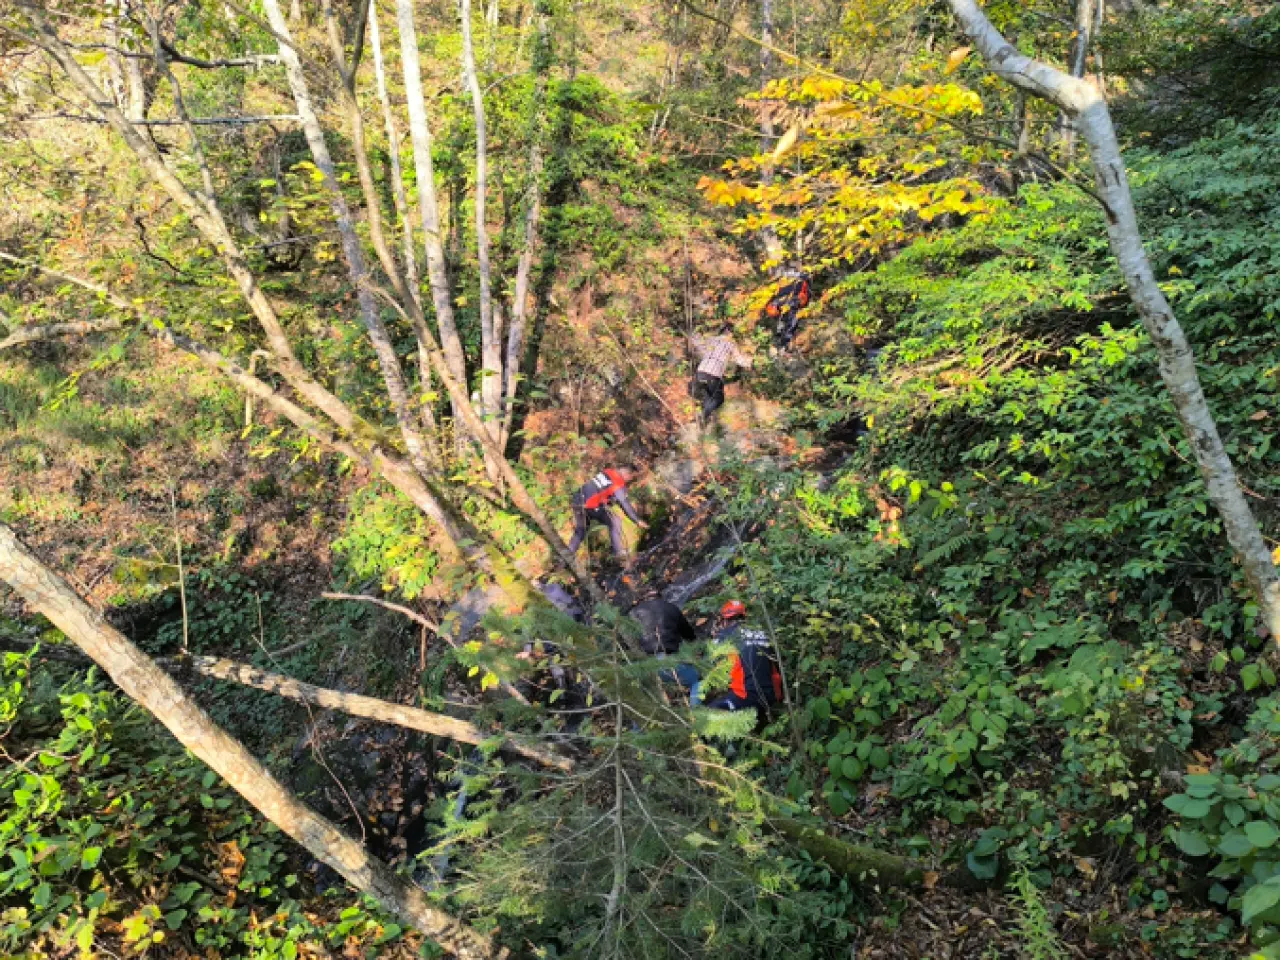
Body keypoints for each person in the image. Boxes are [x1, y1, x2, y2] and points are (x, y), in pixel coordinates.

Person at [704, 600, 784, 713]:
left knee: (708, 712)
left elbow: (706, 666)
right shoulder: (761, 632)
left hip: (746, 697)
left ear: (724, 620)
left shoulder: (724, 636)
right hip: (773, 694)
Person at [566, 466, 649, 564]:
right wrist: (637, 520)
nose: (629, 480)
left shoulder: (608, 471)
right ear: (627, 474)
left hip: (577, 501)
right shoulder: (617, 482)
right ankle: (619, 552)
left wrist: (608, 501)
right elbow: (624, 502)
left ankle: (566, 556)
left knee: (581, 530)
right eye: (631, 478)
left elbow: (600, 490)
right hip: (589, 505)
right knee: (615, 521)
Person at [690, 328, 754, 426]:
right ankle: (702, 417)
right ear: (730, 334)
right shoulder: (731, 344)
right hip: (714, 374)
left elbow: (698, 344)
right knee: (718, 399)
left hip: (701, 372)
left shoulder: (711, 339)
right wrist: (751, 362)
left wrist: (695, 334)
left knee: (708, 399)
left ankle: (702, 421)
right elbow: (739, 359)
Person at [628, 597, 697, 656]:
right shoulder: (671, 607)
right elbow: (687, 632)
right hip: (671, 649)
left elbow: (631, 639)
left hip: (649, 655)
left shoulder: (633, 613)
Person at [766, 269, 813, 350]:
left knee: (790, 319)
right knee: (788, 320)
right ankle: (783, 339)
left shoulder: (799, 282)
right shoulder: (794, 281)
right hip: (789, 302)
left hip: (793, 302)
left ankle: (785, 340)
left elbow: (802, 295)